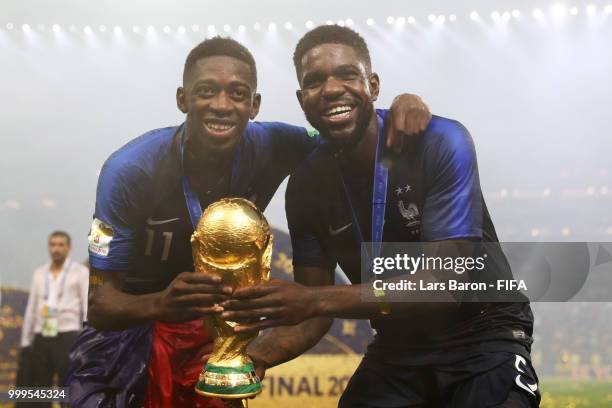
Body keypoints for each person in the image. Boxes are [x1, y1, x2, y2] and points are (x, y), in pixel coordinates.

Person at [67, 36, 432, 408]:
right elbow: (102, 306)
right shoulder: (129, 171)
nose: (222, 105)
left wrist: (401, 105)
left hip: (212, 337)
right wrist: (160, 303)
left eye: (238, 94)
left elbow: (348, 129)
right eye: (207, 91)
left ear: (254, 105)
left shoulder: (276, 144)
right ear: (182, 99)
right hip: (131, 338)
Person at [221, 26, 540, 407]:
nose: (332, 88)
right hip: (398, 345)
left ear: (373, 85)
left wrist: (314, 300)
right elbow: (312, 313)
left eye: (347, 74)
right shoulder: (306, 185)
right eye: (315, 81)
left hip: (484, 335)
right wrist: (257, 356)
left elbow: (443, 286)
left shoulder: (439, 141)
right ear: (302, 99)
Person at [20, 231, 88, 403]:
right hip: (42, 337)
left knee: (69, 387)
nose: (56, 249)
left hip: (68, 336)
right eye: (52, 244)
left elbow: (86, 308)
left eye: (60, 245)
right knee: (40, 390)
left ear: (69, 248)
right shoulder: (39, 273)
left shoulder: (79, 272)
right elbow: (31, 309)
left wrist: (87, 341)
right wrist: (26, 342)